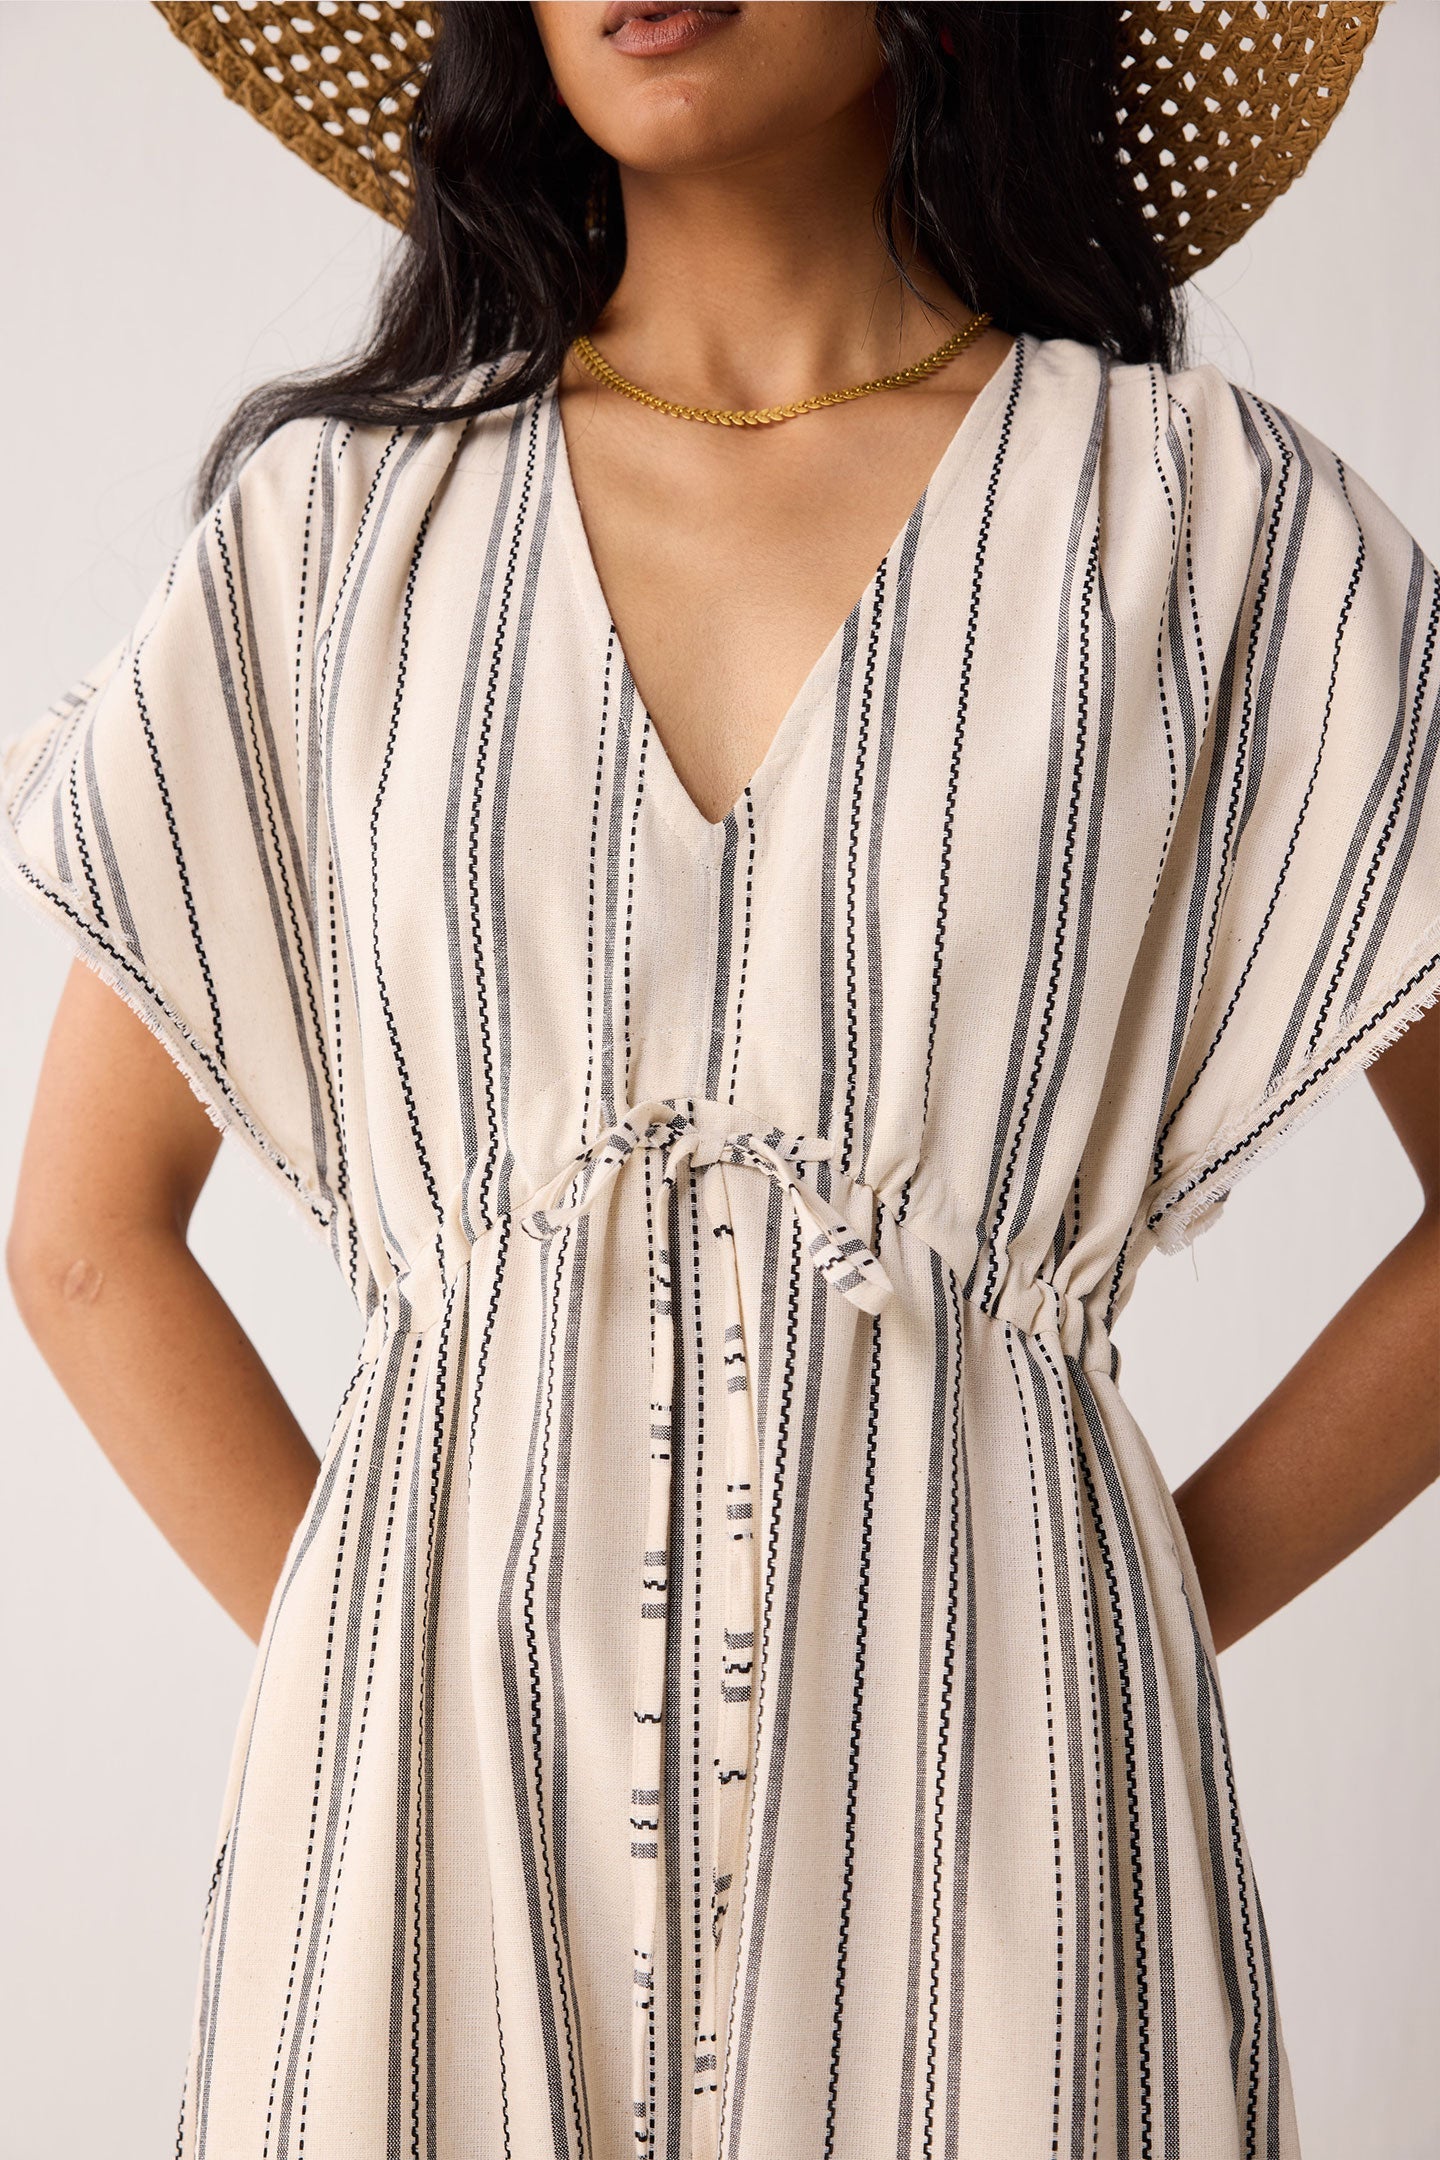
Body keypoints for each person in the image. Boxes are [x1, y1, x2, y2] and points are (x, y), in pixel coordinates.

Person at [3, 5, 1436, 2156]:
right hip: (421, 1869)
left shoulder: (1212, 533)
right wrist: (389, 1667)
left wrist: (1104, 1610)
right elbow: (86, 1238)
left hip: (1009, 1828)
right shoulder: (336, 540)